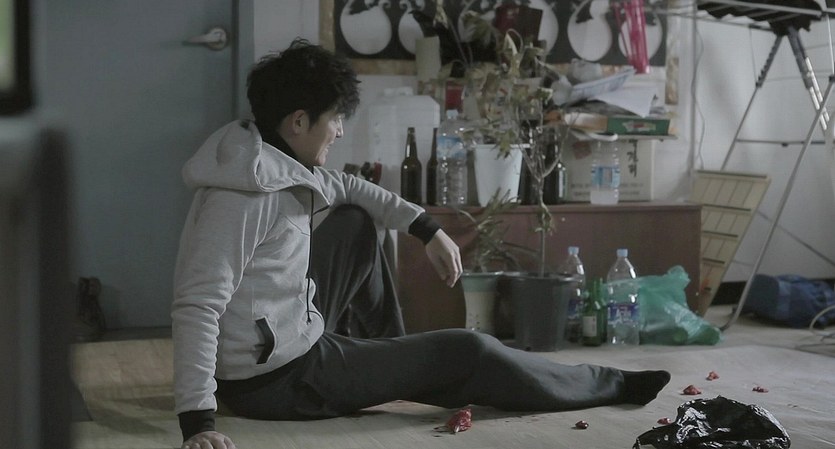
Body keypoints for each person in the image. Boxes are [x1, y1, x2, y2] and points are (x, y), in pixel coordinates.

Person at [171, 38, 671, 449]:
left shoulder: (271, 158)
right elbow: (197, 304)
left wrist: (426, 228)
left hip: (288, 342)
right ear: (298, 122)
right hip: (278, 382)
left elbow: (350, 187)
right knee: (468, 350)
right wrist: (198, 422)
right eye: (335, 119)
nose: (340, 131)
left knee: (354, 222)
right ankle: (611, 383)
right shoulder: (242, 201)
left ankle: (392, 357)